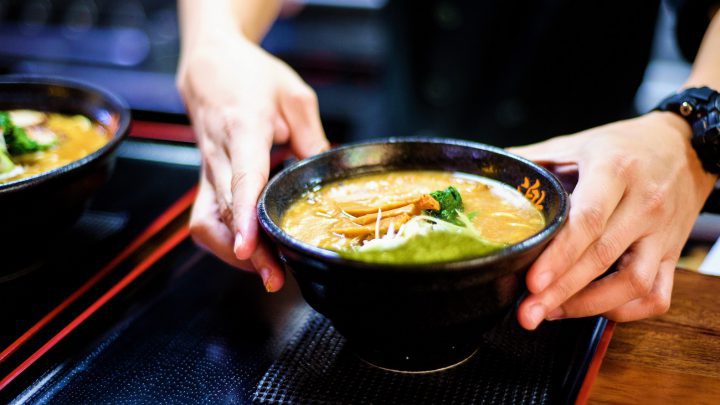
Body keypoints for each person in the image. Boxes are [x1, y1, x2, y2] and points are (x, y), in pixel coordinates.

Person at [176, 0, 720, 330]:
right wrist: (214, 42)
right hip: (379, 158)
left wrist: (696, 125)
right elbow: (218, 34)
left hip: (595, 199)